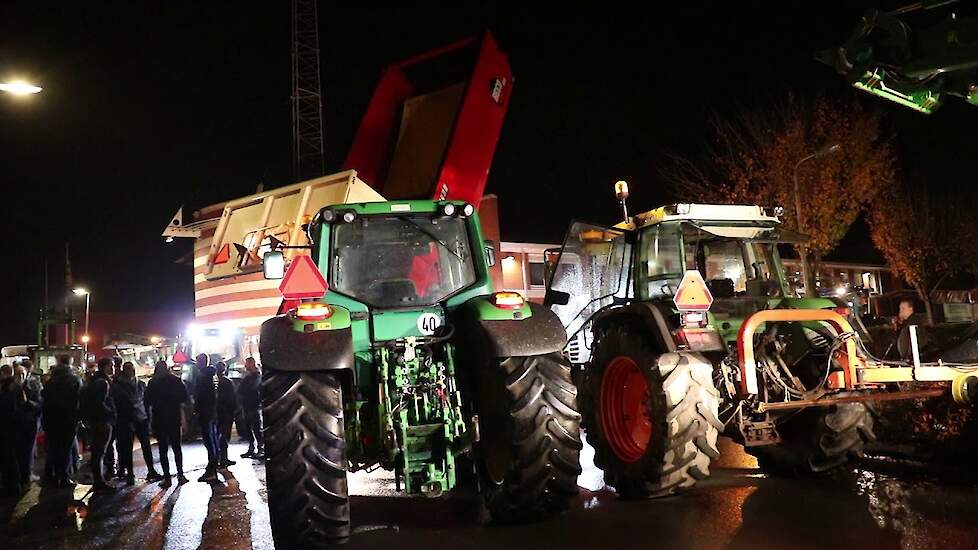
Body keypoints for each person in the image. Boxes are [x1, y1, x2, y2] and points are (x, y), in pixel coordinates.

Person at [145, 360, 189, 487]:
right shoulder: (175, 380)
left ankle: (167, 477)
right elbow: (184, 397)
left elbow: (147, 400)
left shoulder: (153, 382)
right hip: (173, 416)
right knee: (176, 447)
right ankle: (180, 475)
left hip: (159, 417)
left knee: (163, 449)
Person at [42, 355, 82, 487]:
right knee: (66, 448)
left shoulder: (50, 381)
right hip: (68, 419)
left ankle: (51, 475)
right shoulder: (74, 380)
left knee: (53, 448)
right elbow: (79, 399)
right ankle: (64, 477)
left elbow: (45, 399)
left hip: (51, 419)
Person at [82, 358, 117, 493]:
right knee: (99, 451)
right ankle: (99, 481)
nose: (113, 368)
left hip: (95, 420)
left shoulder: (95, 380)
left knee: (97, 451)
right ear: (106, 367)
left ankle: (99, 479)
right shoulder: (103, 382)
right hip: (102, 421)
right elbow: (100, 402)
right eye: (111, 365)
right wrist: (111, 413)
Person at [11, 365, 42, 490]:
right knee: (20, 451)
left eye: (22, 374)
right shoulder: (11, 388)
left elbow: (38, 404)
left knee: (28, 451)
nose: (20, 377)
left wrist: (27, 402)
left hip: (29, 423)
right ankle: (22, 476)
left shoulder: (32, 386)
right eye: (17, 375)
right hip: (17, 424)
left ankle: (26, 475)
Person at [194, 358, 220, 482]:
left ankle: (212, 469)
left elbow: (200, 395)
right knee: (213, 440)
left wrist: (197, 409)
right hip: (213, 411)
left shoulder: (202, 376)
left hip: (205, 412)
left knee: (209, 441)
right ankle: (214, 466)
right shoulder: (213, 375)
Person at [237, 357, 264, 459]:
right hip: (247, 405)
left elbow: (249, 389)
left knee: (256, 428)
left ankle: (260, 448)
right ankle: (251, 448)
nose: (245, 365)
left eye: (247, 363)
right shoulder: (249, 376)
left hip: (253, 405)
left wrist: (242, 390)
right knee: (248, 428)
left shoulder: (256, 376)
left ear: (251, 363)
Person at [215, 362, 239, 468]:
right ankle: (223, 458)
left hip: (217, 412)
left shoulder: (214, 381)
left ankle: (218, 458)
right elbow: (232, 398)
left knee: (218, 435)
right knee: (225, 435)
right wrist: (234, 410)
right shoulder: (227, 382)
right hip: (226, 412)